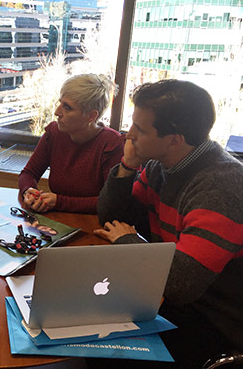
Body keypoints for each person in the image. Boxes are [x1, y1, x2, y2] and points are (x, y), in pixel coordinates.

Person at [93, 79, 243, 367]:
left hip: (219, 322)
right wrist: (127, 167)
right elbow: (113, 218)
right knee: (90, 334)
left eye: (141, 128)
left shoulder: (222, 186)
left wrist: (128, 242)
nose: (129, 133)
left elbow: (180, 284)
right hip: (173, 303)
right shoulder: (160, 166)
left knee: (104, 353)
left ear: (174, 140)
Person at [19, 74, 124, 214]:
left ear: (91, 116)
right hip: (59, 220)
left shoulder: (111, 144)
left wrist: (59, 202)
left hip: (93, 224)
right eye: (60, 103)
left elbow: (109, 203)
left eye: (67, 108)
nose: (57, 112)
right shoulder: (54, 133)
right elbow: (28, 173)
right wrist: (29, 190)